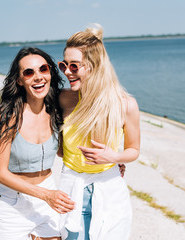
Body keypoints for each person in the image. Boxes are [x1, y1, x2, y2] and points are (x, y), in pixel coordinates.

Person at [57, 24, 141, 240]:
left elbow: (133, 150)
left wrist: (114, 157)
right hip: (71, 192)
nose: (67, 72)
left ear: (94, 65)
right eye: (64, 65)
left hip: (109, 192)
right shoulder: (63, 99)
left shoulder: (125, 105)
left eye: (74, 66)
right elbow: (58, 149)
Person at [0, 47, 75, 240]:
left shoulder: (55, 111)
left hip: (48, 198)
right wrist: (45, 195)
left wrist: (108, 163)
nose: (38, 77)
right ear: (20, 81)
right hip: (12, 204)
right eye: (29, 72)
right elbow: (0, 173)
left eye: (43, 69)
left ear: (50, 73)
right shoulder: (9, 117)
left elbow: (64, 151)